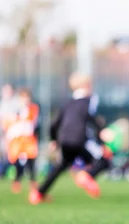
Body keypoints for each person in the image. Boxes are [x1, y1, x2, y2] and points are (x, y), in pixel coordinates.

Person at [30, 72, 112, 205]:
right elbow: (90, 118)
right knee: (105, 159)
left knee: (61, 166)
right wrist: (101, 134)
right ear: (86, 85)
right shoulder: (88, 101)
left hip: (65, 139)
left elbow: (54, 123)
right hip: (80, 139)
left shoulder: (68, 103)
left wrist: (54, 140)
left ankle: (38, 193)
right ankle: (87, 176)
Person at [5, 88, 39, 194]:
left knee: (31, 160)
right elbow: (9, 123)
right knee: (17, 162)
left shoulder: (33, 108)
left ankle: (32, 181)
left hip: (28, 139)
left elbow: (33, 123)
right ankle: (17, 180)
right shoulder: (14, 109)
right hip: (17, 139)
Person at [0, 84, 18, 178]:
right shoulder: (2, 104)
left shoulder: (16, 103)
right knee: (4, 153)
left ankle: (12, 172)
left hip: (13, 134)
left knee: (12, 154)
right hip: (3, 133)